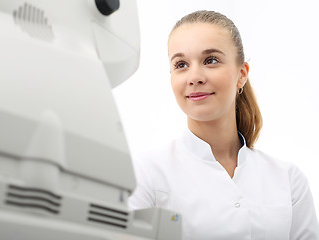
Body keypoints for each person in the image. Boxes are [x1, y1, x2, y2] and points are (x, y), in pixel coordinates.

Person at [128, 10, 319, 240]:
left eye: (211, 60)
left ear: (241, 74)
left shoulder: (288, 180)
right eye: (181, 64)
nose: (194, 76)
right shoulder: (145, 174)